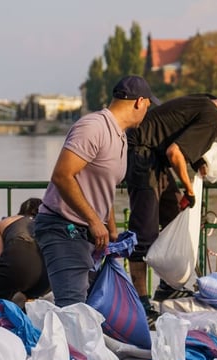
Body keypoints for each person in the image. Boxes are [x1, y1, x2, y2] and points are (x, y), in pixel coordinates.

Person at [125, 80, 217, 321]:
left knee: (176, 216)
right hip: (142, 158)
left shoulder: (206, 101)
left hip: (153, 158)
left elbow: (178, 134)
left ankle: (167, 286)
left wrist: (197, 162)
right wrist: (189, 189)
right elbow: (174, 152)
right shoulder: (212, 116)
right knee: (143, 234)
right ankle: (140, 303)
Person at [34, 75, 156, 307]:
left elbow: (102, 188)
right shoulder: (93, 127)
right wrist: (93, 220)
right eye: (148, 106)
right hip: (63, 227)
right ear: (139, 102)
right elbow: (62, 175)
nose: (147, 112)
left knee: (92, 307)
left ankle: (76, 343)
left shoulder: (121, 136)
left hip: (89, 233)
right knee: (74, 307)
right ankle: (65, 343)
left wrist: (110, 229)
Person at [0, 197, 50, 305]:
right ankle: (25, 297)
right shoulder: (48, 224)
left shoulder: (6, 222)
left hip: (19, 265)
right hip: (47, 279)